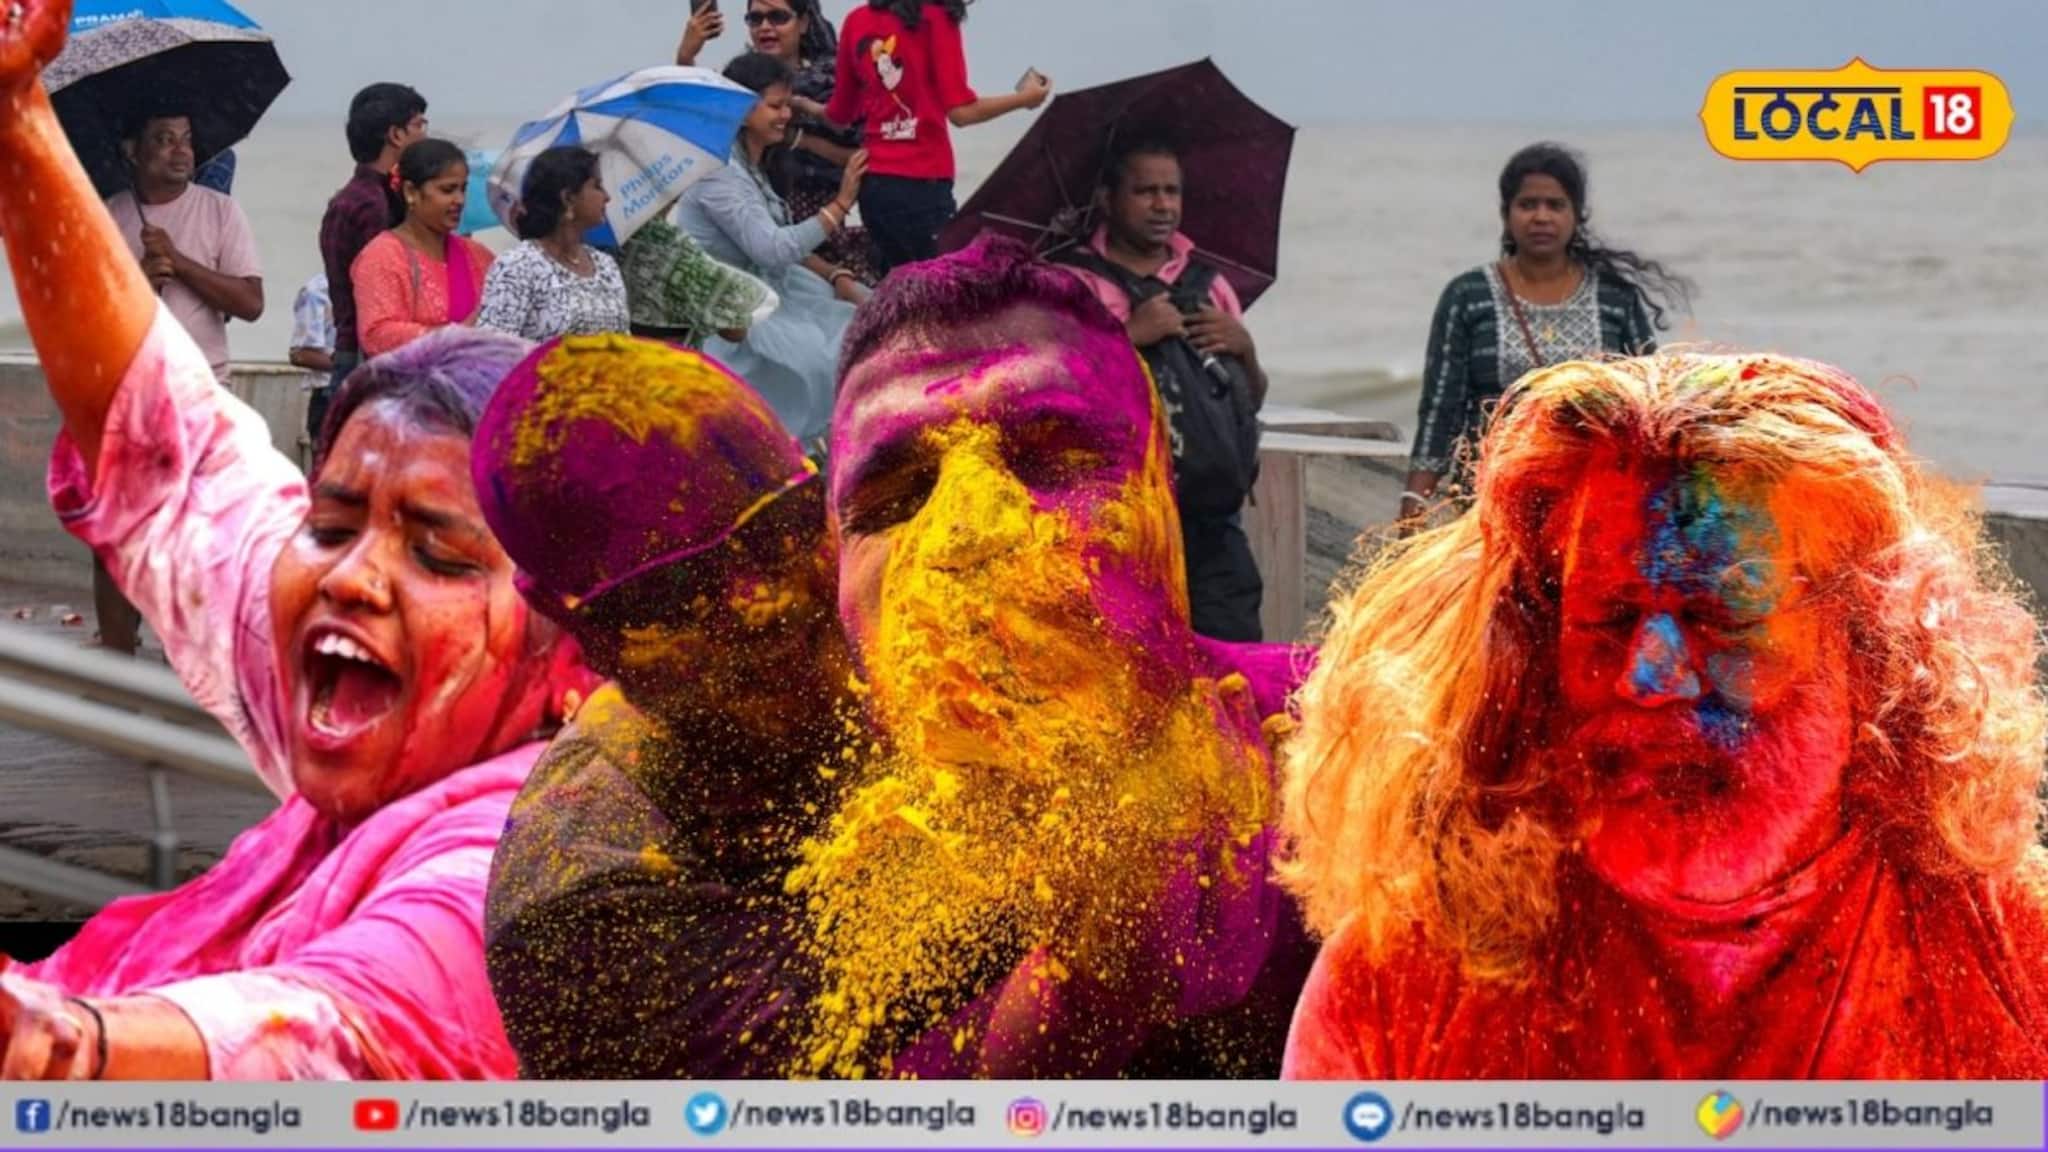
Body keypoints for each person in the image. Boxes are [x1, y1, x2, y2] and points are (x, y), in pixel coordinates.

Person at [0, 7, 588, 1077]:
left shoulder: (516, 878)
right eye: (331, 524)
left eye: (442, 556)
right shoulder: (398, 723)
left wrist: (61, 1046)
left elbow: (319, 1032)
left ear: (576, 656)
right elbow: (165, 438)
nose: (350, 579)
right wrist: (16, 113)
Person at [1280, 352, 2048, 1078]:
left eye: (1720, 614)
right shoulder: (1405, 978)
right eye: (1609, 617)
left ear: (1872, 645)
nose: (1649, 676)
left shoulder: (2016, 959)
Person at [796, 235, 1313, 1078]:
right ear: (833, 568)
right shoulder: (774, 873)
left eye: (1050, 460)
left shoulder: (1351, 748)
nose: (970, 534)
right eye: (899, 497)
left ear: (1161, 489)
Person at [473, 334, 857, 1078]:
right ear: (583, 630)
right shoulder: (580, 890)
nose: (761, 603)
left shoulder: (894, 645)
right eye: (677, 593)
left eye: (781, 529)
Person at [1401, 142, 1688, 532]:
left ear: (1576, 216)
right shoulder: (1468, 297)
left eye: (1555, 205)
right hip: (1490, 506)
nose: (1541, 217)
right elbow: (1440, 409)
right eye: (1527, 204)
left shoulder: (1614, 299)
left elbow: (1652, 405)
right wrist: (1414, 506)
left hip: (1593, 506)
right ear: (1506, 214)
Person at [1058, 135, 1269, 643]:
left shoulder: (1208, 283)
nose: (1163, 206)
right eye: (1145, 191)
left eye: (1172, 192)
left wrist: (1245, 350)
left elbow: (1248, 401)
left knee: (1233, 667)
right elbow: (1056, 393)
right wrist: (1129, 337)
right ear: (1108, 199)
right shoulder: (1074, 284)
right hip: (1116, 522)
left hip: (1212, 520)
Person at [97, 107, 264, 656]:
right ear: (132, 151)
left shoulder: (220, 211)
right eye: (163, 138)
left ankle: (194, 650)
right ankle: (116, 659)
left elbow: (250, 302)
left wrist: (182, 263)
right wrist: (140, 279)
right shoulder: (108, 216)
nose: (180, 150)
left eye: (187, 139)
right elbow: (85, 316)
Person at [674, 53, 868, 449]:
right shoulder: (720, 174)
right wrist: (842, 203)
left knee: (858, 321)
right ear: (743, 111)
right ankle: (804, 456)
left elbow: (781, 245)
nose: (784, 116)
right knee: (819, 359)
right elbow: (772, 250)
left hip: (774, 292)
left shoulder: (752, 163)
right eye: (775, 106)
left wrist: (835, 276)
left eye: (787, 105)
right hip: (730, 314)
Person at [826, 0, 1049, 276]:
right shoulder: (936, 16)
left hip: (875, 192)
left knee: (902, 295)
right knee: (945, 298)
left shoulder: (855, 20)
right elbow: (961, 112)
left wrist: (801, 105)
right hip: (923, 188)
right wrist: (1025, 99)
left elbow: (840, 113)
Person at [318, 83, 428, 443]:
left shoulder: (371, 197)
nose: (425, 135)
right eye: (419, 126)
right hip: (367, 359)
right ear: (396, 135)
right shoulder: (372, 204)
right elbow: (379, 295)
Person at [744, 0, 873, 283]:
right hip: (761, 224)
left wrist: (799, 139)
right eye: (755, 19)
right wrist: (687, 55)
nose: (765, 27)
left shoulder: (834, 82)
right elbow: (705, 136)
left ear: (803, 23)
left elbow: (866, 156)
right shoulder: (742, 84)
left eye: (777, 17)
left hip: (827, 221)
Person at [352, 140, 495, 356]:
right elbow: (377, 336)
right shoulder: (383, 256)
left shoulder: (478, 255)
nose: (460, 200)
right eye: (447, 190)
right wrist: (459, 336)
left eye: (463, 189)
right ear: (411, 191)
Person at [476, 147, 629, 341]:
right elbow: (491, 350)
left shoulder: (606, 266)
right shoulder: (518, 266)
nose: (607, 197)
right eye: (597, 186)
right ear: (568, 198)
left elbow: (624, 341)